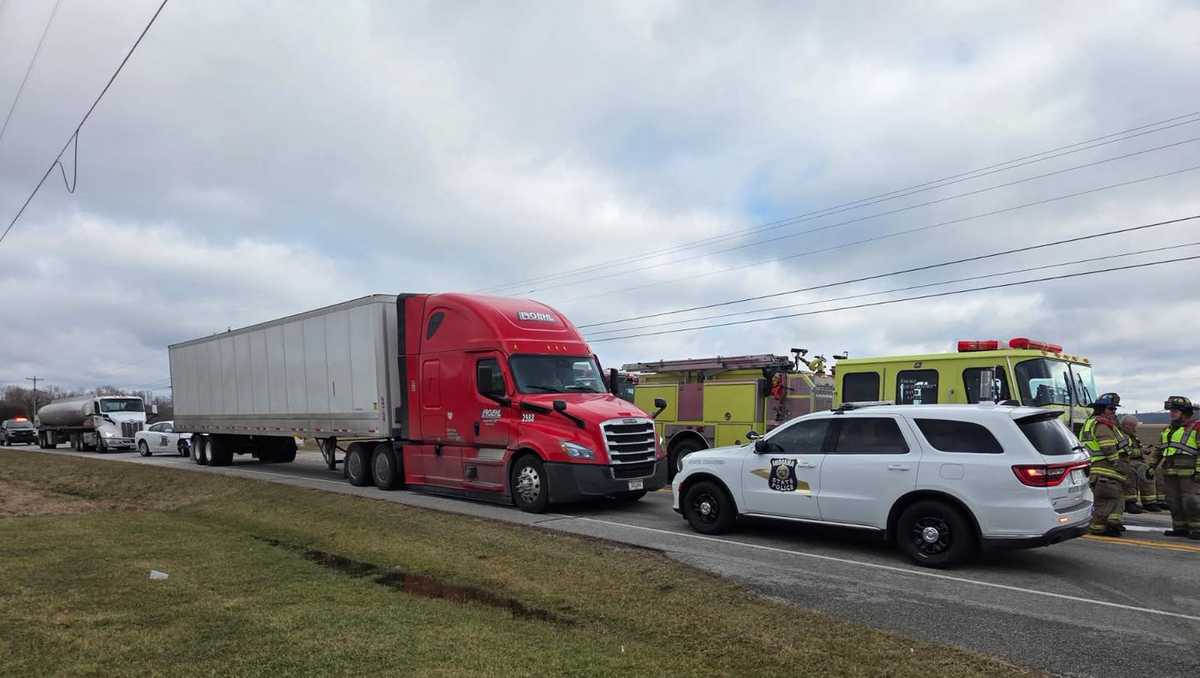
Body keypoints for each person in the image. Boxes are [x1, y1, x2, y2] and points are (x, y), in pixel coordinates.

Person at [1079, 393, 1126, 536]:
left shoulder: (1089, 423)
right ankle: (1099, 529)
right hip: (1106, 469)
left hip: (1096, 469)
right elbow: (1107, 446)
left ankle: (1112, 524)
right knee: (1107, 501)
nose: (1114, 412)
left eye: (1114, 409)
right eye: (1111, 409)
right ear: (1102, 409)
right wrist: (1116, 462)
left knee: (1112, 499)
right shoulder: (1101, 425)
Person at [1155, 396, 1200, 539]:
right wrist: (1151, 466)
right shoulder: (1167, 430)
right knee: (1173, 501)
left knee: (1191, 501)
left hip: (1190, 474)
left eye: (1175, 411)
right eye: (1171, 411)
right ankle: (1179, 527)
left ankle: (1196, 528)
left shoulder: (1197, 428)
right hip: (1170, 472)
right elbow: (1159, 450)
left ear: (1185, 412)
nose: (1171, 413)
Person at [1119, 415, 1160, 512]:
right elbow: (1126, 452)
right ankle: (1129, 502)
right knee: (1135, 472)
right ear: (1127, 426)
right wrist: (1142, 451)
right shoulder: (1122, 436)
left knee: (1149, 470)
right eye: (1134, 427)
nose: (1135, 429)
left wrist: (1143, 449)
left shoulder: (1132, 436)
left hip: (1136, 461)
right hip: (1125, 461)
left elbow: (1135, 449)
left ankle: (1150, 501)